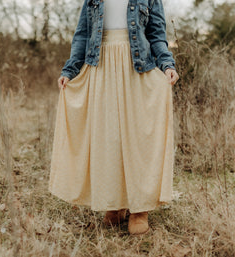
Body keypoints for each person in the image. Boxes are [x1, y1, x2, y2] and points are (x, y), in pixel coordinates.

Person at [49, 0, 179, 236]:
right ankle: (115, 204)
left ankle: (140, 208)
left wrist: (167, 63)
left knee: (138, 138)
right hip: (101, 67)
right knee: (108, 137)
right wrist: (70, 70)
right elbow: (82, 35)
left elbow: (157, 35)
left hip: (137, 67)